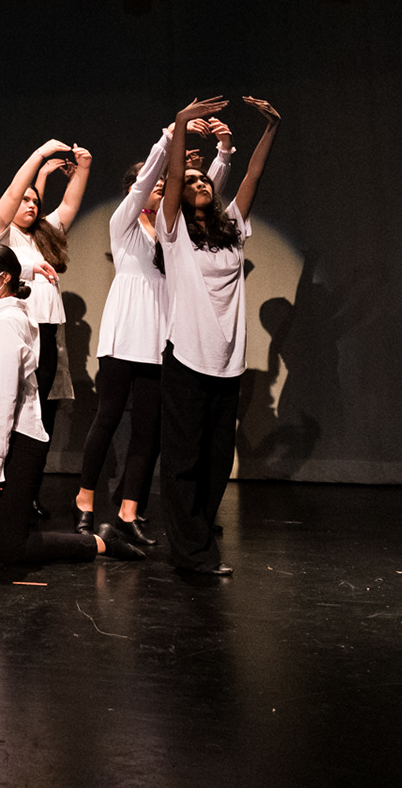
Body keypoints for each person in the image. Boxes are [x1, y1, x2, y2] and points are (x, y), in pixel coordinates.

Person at [0, 244, 142, 564]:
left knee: (12, 549)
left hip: (17, 444)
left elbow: (5, 399)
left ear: (5, 278)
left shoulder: (7, 321)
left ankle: (101, 542)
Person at [73, 118, 234, 543]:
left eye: (164, 183)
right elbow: (147, 181)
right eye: (152, 182)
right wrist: (169, 139)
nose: (160, 186)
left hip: (160, 336)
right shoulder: (123, 224)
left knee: (149, 430)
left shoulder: (169, 227)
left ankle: (128, 511)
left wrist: (222, 155)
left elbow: (204, 193)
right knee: (108, 418)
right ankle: (84, 501)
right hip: (125, 332)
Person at [156, 94, 282, 575]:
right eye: (191, 180)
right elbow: (172, 179)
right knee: (183, 459)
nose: (198, 183)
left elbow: (253, 177)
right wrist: (181, 122)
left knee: (215, 460)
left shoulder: (232, 228)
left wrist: (270, 129)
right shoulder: (173, 233)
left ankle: (198, 538)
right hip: (187, 358)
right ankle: (190, 552)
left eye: (202, 179)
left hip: (228, 363)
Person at [0, 139, 90, 513]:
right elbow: (14, 194)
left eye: (35, 201)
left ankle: (27, 490)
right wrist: (39, 157)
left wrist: (83, 169)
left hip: (46, 332)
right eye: (23, 200)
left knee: (40, 413)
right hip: (13, 331)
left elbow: (69, 206)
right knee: (6, 408)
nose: (30, 204)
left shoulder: (42, 234)